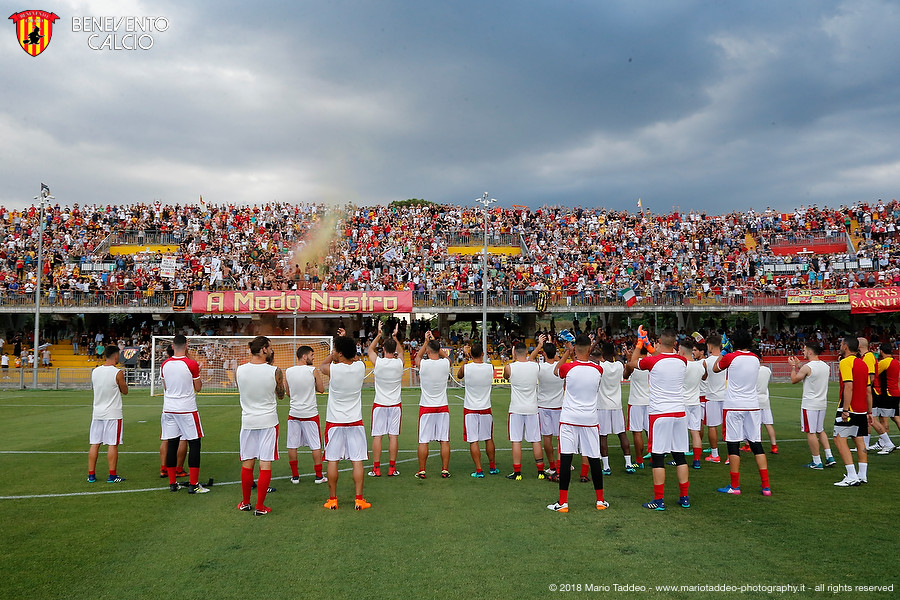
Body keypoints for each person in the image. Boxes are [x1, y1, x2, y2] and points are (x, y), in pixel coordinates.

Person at [629, 329, 690, 510]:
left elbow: (632, 363)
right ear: (675, 344)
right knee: (679, 456)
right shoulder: (682, 361)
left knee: (657, 458)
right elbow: (662, 358)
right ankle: (684, 497)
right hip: (679, 413)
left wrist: (640, 344)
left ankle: (659, 500)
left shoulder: (653, 361)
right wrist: (649, 344)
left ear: (659, 343)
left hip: (660, 413)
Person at [547, 334, 608, 513]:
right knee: (594, 458)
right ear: (590, 349)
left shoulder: (568, 368)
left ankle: (563, 502)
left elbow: (556, 370)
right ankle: (600, 500)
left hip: (569, 418)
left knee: (566, 458)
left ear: (575, 348)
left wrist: (567, 351)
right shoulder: (598, 370)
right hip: (589, 419)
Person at [712, 330, 771, 497]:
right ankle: (766, 486)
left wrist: (723, 352)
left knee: (733, 445)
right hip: (752, 406)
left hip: (733, 405)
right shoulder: (755, 358)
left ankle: (735, 485)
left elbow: (716, 368)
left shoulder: (731, 357)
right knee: (756, 444)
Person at [320, 331, 371, 510]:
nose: (333, 352)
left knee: (332, 460)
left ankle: (333, 500)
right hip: (355, 421)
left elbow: (322, 365)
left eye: (335, 349)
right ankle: (359, 499)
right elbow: (354, 357)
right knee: (357, 460)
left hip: (334, 421)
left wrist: (334, 353)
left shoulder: (334, 368)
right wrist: (345, 342)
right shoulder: (360, 368)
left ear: (340, 353)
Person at [235, 336, 284, 516]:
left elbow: (240, 389)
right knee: (265, 464)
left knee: (248, 462)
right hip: (268, 421)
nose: (271, 351)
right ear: (264, 349)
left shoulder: (239, 370)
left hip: (248, 421)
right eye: (270, 348)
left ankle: (246, 502)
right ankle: (260, 506)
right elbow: (281, 395)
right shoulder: (275, 371)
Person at [160, 335, 208, 494]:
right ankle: (193, 484)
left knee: (172, 444)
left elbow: (165, 387)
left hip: (169, 408)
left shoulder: (164, 364)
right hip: (186, 408)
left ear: (172, 346)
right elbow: (199, 387)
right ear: (186, 346)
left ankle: (173, 483)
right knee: (194, 444)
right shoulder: (191, 364)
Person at [789, 342, 837, 469]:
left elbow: (794, 380)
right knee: (820, 430)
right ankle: (829, 456)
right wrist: (800, 365)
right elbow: (810, 374)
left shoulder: (808, 367)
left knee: (811, 432)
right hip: (822, 403)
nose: (803, 352)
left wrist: (793, 367)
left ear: (810, 352)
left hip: (810, 404)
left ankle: (817, 461)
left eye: (804, 350)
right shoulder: (825, 366)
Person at [832, 337, 872, 487]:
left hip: (850, 408)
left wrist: (845, 410)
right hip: (862, 409)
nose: (840, 346)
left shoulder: (845, 362)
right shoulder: (863, 364)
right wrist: (869, 411)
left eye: (841, 344)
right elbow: (868, 391)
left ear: (846, 347)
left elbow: (848, 386)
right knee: (859, 438)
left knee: (839, 438)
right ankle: (862, 475)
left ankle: (851, 475)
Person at [284, 345, 327, 485]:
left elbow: (288, 393)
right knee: (315, 445)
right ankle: (319, 476)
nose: (313, 357)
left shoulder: (288, 371)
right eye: (312, 355)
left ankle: (295, 476)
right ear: (304, 356)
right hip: (310, 414)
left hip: (294, 413)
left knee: (292, 445)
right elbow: (321, 389)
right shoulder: (312, 370)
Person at [367, 321, 403, 477]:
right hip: (394, 404)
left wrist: (379, 334)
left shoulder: (379, 362)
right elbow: (401, 353)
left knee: (378, 435)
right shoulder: (398, 363)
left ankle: (376, 469)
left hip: (380, 404)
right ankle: (391, 468)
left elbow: (369, 349)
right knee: (393, 436)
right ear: (393, 350)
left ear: (383, 349)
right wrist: (395, 338)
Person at [88, 346, 128, 483]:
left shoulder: (95, 371)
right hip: (113, 413)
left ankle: (91, 475)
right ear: (116, 356)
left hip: (97, 412)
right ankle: (112, 475)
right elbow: (125, 390)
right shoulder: (118, 373)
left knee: (94, 443)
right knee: (112, 444)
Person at [504, 342, 544, 480]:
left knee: (516, 441)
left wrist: (514, 358)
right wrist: (539, 346)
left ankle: (517, 473)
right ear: (526, 351)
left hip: (516, 408)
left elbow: (506, 376)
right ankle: (540, 472)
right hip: (532, 407)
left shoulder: (509, 367)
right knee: (536, 440)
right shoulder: (535, 366)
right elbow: (531, 360)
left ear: (514, 352)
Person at [457, 343, 498, 477]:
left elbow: (459, 375)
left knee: (473, 440)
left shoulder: (467, 367)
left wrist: (466, 356)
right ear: (483, 354)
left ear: (471, 354)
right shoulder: (489, 367)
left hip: (470, 408)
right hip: (485, 408)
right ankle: (492, 467)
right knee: (488, 438)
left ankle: (479, 470)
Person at [415, 331, 451, 478]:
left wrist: (426, 342)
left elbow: (417, 357)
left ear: (428, 351)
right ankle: (445, 469)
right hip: (442, 405)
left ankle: (422, 470)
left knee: (424, 440)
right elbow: (447, 357)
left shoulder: (424, 363)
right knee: (444, 439)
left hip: (426, 406)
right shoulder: (445, 363)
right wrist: (434, 342)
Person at [597, 342, 633, 475]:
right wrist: (616, 354)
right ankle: (628, 463)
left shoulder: (601, 367)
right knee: (622, 434)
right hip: (616, 405)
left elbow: (590, 355)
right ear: (613, 353)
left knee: (603, 436)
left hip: (602, 406)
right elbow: (619, 361)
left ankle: (606, 466)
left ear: (602, 353)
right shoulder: (618, 365)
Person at [534, 335, 564, 481]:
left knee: (547, 437)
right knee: (560, 438)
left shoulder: (540, 367)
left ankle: (552, 465)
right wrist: (551, 347)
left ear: (543, 354)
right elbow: (558, 361)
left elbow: (528, 361)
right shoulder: (560, 368)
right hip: (558, 406)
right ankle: (559, 466)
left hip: (544, 406)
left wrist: (541, 346)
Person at [679, 339, 705, 469]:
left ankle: (680, 459)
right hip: (695, 401)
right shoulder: (699, 365)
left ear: (682, 351)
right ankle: (696, 460)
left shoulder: (682, 366)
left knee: (681, 432)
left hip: (683, 402)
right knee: (695, 432)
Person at [623, 344, 650, 470]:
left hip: (636, 401)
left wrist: (629, 360)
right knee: (651, 431)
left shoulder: (634, 363)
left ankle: (639, 460)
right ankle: (654, 457)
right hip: (651, 401)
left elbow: (625, 375)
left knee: (637, 432)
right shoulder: (652, 362)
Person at [703, 335, 726, 463]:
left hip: (712, 397)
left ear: (710, 346)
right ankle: (730, 455)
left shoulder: (707, 361)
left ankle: (715, 454)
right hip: (726, 396)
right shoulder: (727, 359)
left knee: (712, 426)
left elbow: (703, 377)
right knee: (728, 426)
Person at [874, 341, 900, 451]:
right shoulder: (896, 362)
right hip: (895, 392)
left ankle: (885, 443)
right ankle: (881, 442)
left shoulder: (885, 362)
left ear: (882, 351)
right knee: (895, 417)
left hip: (887, 393)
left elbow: (874, 372)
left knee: (883, 418)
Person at [756, 363, 778, 454]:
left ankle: (752, 445)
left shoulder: (752, 370)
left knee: (754, 425)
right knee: (768, 424)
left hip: (754, 400)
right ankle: (774, 446)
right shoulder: (767, 370)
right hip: (765, 400)